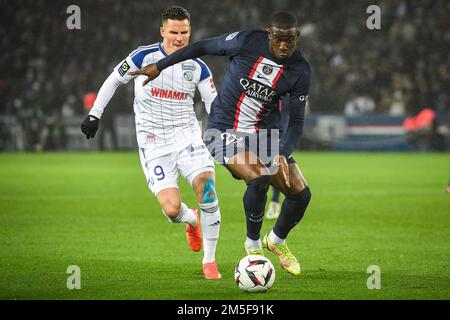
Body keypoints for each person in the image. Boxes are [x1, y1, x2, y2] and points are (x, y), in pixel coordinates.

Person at [129, 11, 312, 276]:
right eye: (279, 39)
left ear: (297, 37)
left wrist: (282, 153)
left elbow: (296, 122)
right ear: (269, 34)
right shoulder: (248, 41)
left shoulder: (300, 70)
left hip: (263, 134)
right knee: (259, 178)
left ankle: (275, 241)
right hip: (223, 130)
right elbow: (202, 46)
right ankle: (252, 246)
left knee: (301, 195)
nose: (284, 46)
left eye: (290, 40)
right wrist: (162, 65)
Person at [81, 6, 222, 280]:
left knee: (207, 189)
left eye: (184, 32)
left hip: (188, 136)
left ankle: (210, 261)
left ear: (189, 31)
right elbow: (113, 80)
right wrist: (95, 114)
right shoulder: (143, 56)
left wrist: (222, 137)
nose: (179, 38)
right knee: (171, 210)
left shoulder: (198, 66)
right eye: (173, 32)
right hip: (153, 142)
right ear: (162, 31)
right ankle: (191, 220)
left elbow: (213, 105)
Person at [266, 94, 290, 220]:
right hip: (263, 131)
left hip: (281, 132)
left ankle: (275, 202)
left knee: (275, 167)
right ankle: (273, 202)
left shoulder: (287, 92)